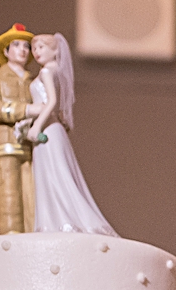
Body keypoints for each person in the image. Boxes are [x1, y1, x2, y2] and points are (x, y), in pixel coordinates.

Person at [27, 32, 117, 236]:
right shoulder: (55, 71)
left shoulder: (47, 72)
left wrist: (36, 126)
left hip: (47, 130)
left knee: (55, 177)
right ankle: (58, 222)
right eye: (35, 48)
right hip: (52, 130)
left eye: (42, 47)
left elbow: (50, 102)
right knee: (54, 176)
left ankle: (61, 223)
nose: (36, 52)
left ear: (55, 50)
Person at [0, 23, 36, 234]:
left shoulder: (33, 80)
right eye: (17, 45)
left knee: (32, 196)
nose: (23, 50)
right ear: (6, 51)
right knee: (10, 195)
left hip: (31, 147)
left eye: (26, 46)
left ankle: (32, 237)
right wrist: (27, 110)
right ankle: (12, 241)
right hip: (6, 145)